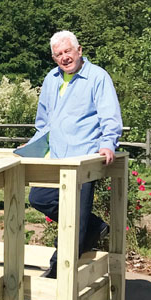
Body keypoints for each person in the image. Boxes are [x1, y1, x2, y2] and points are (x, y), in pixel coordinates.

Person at [27, 30, 122, 278]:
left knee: (76, 219)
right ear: (53, 58)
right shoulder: (51, 79)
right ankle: (95, 226)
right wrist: (34, 147)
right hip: (56, 157)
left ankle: (58, 271)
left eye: (67, 51)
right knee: (38, 197)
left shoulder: (97, 77)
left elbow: (110, 115)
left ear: (79, 50)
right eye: (58, 54)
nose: (64, 57)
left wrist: (108, 143)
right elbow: (43, 121)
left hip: (83, 158)